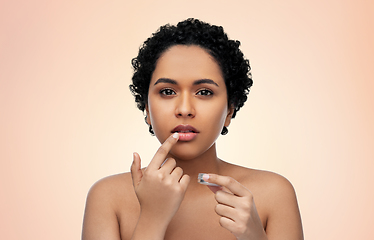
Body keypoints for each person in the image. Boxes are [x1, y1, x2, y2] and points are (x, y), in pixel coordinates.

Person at [82, 18, 303, 240]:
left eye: (204, 92)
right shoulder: (107, 198)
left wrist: (255, 236)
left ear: (229, 110)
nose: (185, 109)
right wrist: (152, 219)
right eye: (167, 92)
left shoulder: (273, 195)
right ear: (147, 109)